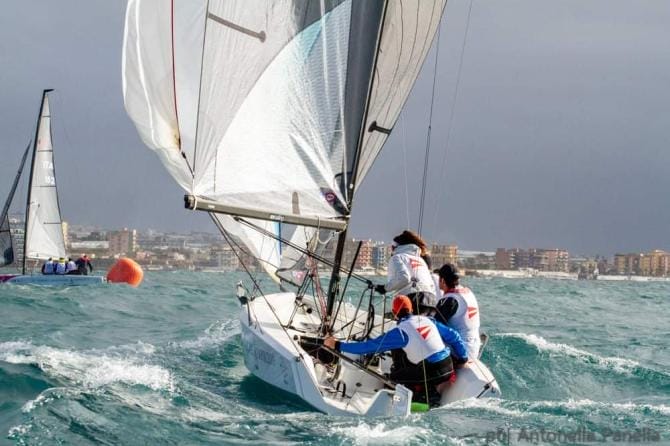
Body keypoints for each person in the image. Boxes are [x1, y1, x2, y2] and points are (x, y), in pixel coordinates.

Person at [324, 295, 468, 406]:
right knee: (414, 368)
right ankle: (428, 391)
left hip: (432, 372)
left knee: (392, 379)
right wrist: (463, 358)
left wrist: (337, 345)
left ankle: (425, 398)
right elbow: (454, 336)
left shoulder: (400, 332)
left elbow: (368, 347)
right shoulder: (429, 320)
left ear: (394, 313)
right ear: (412, 309)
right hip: (449, 365)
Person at [374, 230, 436, 314]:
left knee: (406, 321)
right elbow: (431, 284)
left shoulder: (397, 257)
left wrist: (384, 288)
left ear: (397, 246)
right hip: (431, 301)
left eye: (392, 246)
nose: (391, 249)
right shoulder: (421, 260)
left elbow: (404, 278)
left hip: (412, 299)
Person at [435, 263, 481, 358]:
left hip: (461, 351)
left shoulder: (450, 299)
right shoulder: (469, 293)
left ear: (442, 280)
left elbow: (434, 326)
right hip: (475, 347)